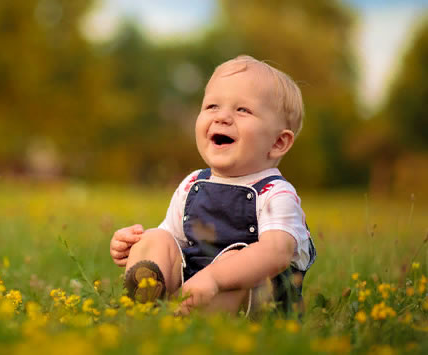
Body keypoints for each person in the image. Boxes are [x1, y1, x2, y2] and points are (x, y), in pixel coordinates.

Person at [109, 55, 316, 316]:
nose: (222, 117)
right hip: (194, 287)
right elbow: (174, 240)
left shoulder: (275, 194)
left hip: (255, 300)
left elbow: (277, 252)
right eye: (212, 106)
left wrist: (215, 278)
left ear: (277, 143)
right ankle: (148, 298)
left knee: (237, 258)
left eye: (243, 110)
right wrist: (133, 246)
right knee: (156, 238)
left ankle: (183, 316)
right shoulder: (192, 184)